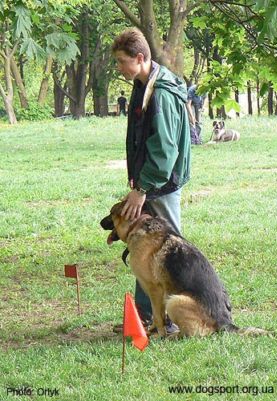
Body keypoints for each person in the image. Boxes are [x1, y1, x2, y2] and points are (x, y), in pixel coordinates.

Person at [111, 28, 191, 334]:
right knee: (144, 247)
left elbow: (165, 152)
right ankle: (145, 315)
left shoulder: (162, 93)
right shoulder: (142, 84)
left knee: (170, 252)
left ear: (140, 58)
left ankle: (171, 319)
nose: (119, 67)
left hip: (161, 183)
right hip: (148, 182)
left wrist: (141, 189)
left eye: (121, 61)